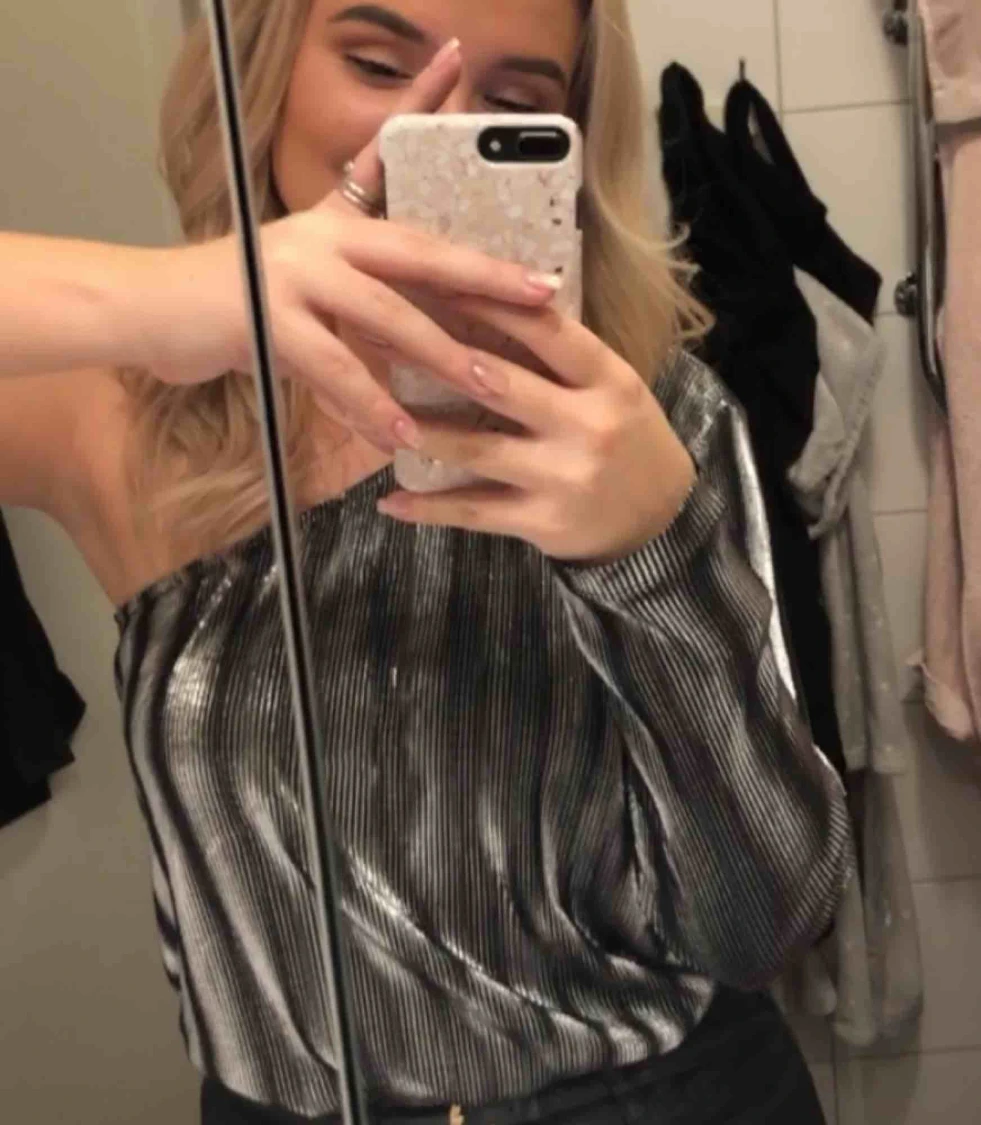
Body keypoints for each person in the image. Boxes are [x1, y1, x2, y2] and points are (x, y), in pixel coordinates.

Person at [0, 2, 852, 1123]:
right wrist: (160, 298)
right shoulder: (129, 421)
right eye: (375, 61)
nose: (431, 127)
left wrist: (655, 558)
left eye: (512, 101)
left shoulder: (647, 418)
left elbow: (770, 923)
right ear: (264, 74)